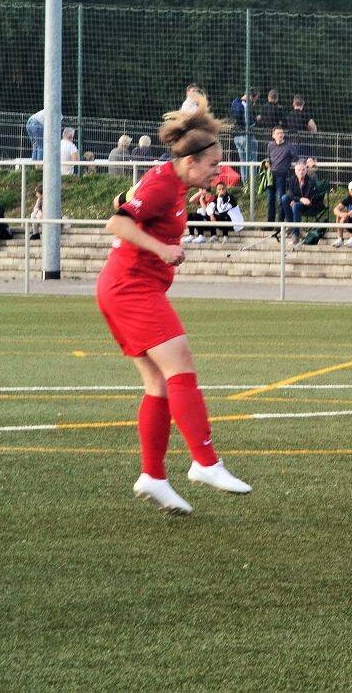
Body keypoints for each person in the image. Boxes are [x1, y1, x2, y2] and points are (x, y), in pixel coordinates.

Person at [95, 93, 251, 515]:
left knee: (159, 384)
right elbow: (117, 222)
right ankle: (205, 462)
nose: (217, 172)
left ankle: (153, 476)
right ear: (190, 161)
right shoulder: (165, 184)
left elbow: (125, 205)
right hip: (131, 287)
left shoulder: (171, 180)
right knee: (180, 366)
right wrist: (162, 249)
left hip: (125, 287)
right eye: (213, 164)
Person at [262, 126, 301, 230]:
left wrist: (306, 162)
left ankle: (280, 224)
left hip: (282, 176)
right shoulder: (270, 145)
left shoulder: (289, 146)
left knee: (280, 200)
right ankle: (270, 224)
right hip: (271, 176)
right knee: (270, 200)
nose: (280, 135)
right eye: (278, 133)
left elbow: (296, 158)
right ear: (273, 135)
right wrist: (266, 163)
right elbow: (268, 158)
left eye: (281, 133)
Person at [231, 91, 257, 184]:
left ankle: (245, 184)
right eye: (254, 99)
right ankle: (252, 184)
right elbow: (247, 121)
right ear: (251, 96)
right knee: (252, 160)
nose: (254, 102)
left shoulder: (234, 102)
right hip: (245, 135)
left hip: (236, 136)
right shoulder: (245, 105)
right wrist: (254, 121)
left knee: (243, 161)